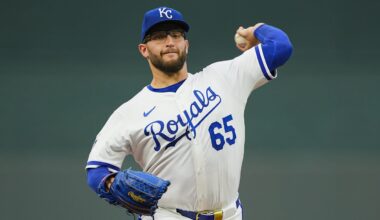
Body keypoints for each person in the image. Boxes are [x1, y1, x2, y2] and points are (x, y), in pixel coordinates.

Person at [86, 6, 293, 220]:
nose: (169, 42)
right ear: (144, 49)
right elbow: (97, 168)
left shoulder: (224, 78)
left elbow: (281, 46)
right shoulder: (129, 112)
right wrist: (111, 184)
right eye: (158, 37)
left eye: (176, 35)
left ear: (187, 44)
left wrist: (256, 30)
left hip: (229, 215)